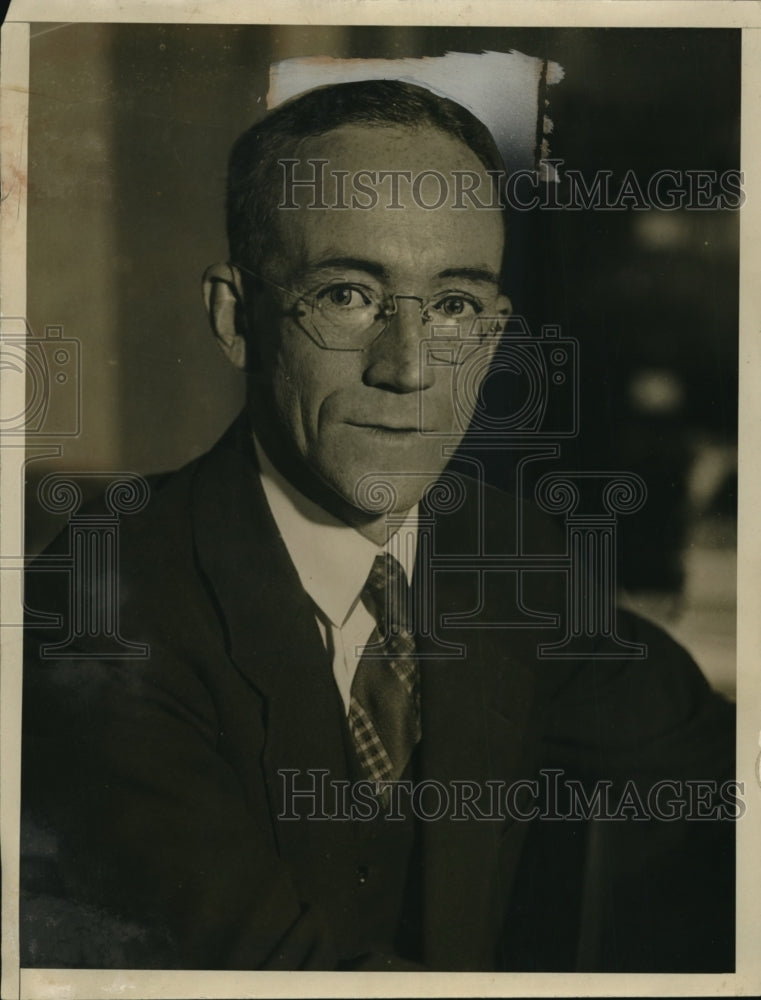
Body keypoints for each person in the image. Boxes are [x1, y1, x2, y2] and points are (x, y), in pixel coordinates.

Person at [20, 79, 735, 972]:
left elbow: (718, 773)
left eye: (453, 305)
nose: (405, 371)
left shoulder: (506, 557)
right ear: (236, 318)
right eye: (348, 295)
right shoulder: (96, 619)